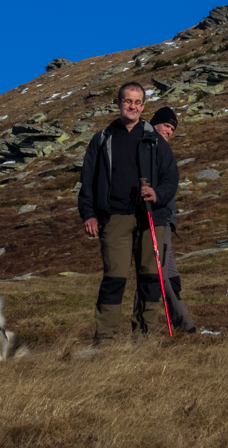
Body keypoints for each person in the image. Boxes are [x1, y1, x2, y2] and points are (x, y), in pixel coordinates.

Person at [78, 81, 179, 344]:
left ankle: (145, 339)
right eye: (127, 101)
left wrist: (157, 195)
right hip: (114, 218)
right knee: (114, 279)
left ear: (143, 106)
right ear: (119, 103)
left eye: (137, 102)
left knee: (150, 278)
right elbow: (87, 181)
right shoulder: (102, 139)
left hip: (150, 218)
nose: (132, 106)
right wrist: (88, 214)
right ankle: (106, 341)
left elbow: (171, 178)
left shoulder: (155, 141)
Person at [132, 106, 196, 334]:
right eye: (167, 125)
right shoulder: (146, 144)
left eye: (172, 128)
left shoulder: (160, 148)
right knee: (153, 273)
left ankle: (181, 324)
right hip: (154, 218)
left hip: (164, 219)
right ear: (156, 122)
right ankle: (149, 328)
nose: (169, 131)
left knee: (169, 277)